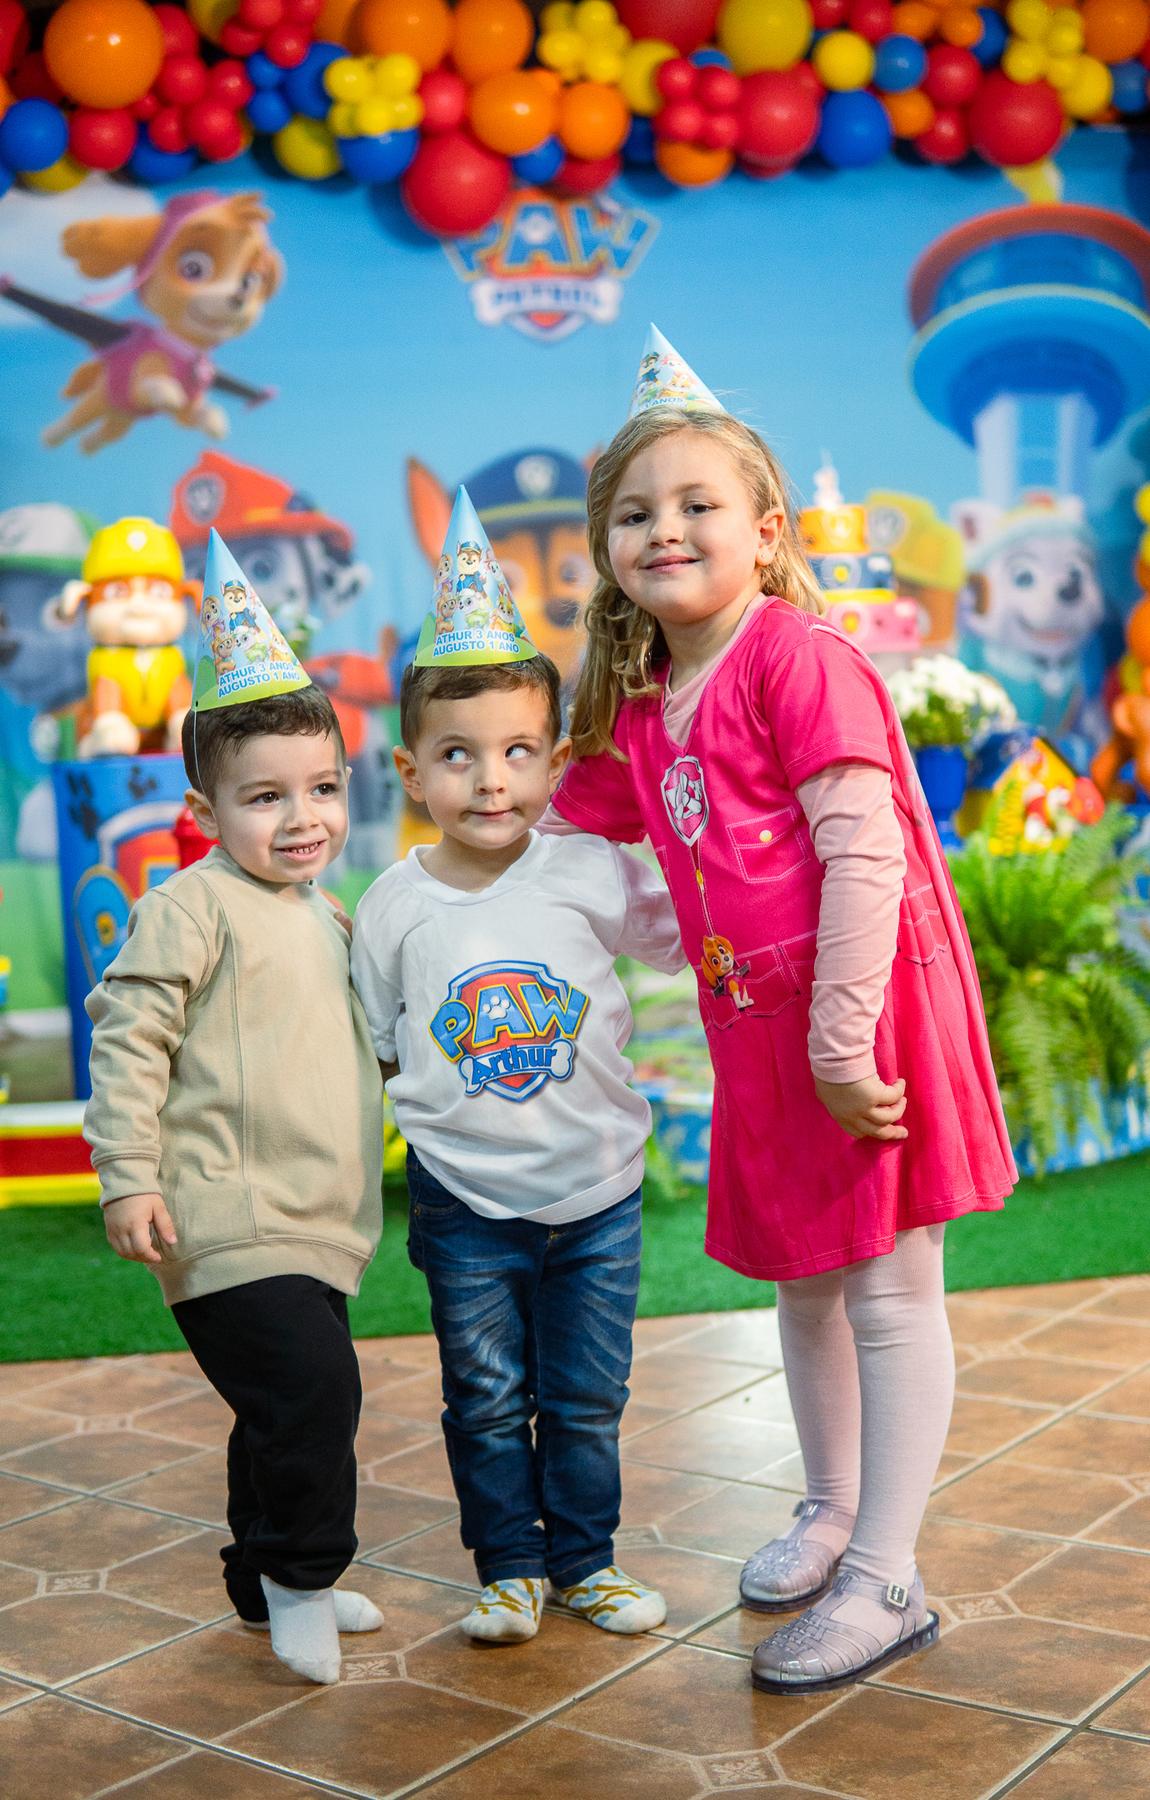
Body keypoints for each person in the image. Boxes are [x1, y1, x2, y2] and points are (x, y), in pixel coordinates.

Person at [545, 328, 1017, 1695]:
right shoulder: (644, 705)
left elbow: (864, 851)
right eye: (635, 513)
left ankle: (889, 1575)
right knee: (806, 1282)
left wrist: (840, 1037)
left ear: (765, 532)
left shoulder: (796, 657)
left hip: (861, 1018)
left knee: (888, 1287)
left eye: (696, 504)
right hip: (762, 1030)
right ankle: (831, 1508)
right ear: (607, 551)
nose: (664, 529)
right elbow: (586, 842)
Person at [351, 487, 687, 1645]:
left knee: (587, 1396)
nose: (490, 780)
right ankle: (508, 1569)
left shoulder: (589, 867)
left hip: (597, 1191)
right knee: (487, 1400)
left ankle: (586, 1560)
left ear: (554, 759)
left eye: (515, 753)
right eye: (458, 756)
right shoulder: (393, 905)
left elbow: (680, 931)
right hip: (464, 1200)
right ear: (412, 771)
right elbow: (381, 1036)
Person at [84, 532, 384, 1689]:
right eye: (265, 798)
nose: (301, 817)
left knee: (280, 1405)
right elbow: (132, 1038)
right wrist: (128, 1175)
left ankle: (263, 1574)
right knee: (314, 1394)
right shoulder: (190, 906)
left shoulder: (325, 912)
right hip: (226, 1212)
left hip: (316, 1218)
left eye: (322, 789)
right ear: (205, 809)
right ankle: (302, 1575)